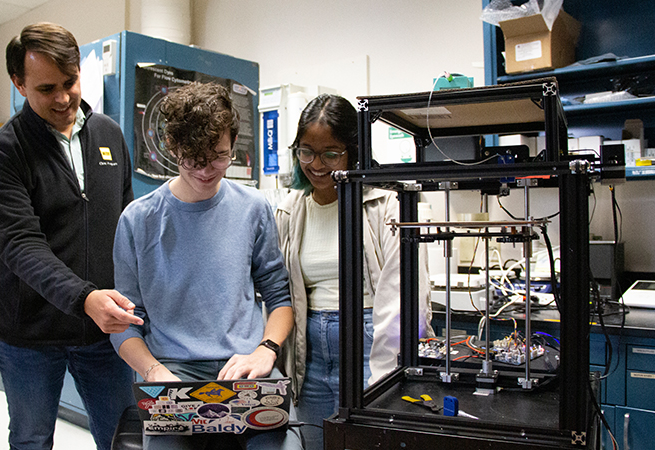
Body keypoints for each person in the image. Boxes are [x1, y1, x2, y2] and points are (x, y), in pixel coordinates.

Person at [109, 81, 302, 450]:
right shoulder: (138, 220)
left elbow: (280, 299)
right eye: (192, 158)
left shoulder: (253, 208)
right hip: (172, 371)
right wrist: (153, 371)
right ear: (172, 147)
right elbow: (123, 324)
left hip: (244, 365)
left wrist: (266, 350)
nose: (206, 170)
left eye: (218, 155)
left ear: (233, 144)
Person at [0, 22, 142, 450]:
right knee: (32, 440)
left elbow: (126, 225)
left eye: (70, 82)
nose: (64, 97)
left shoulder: (108, 133)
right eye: (47, 88)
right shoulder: (2, 154)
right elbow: (21, 246)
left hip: (104, 333)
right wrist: (85, 297)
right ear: (18, 83)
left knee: (124, 440)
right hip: (31, 336)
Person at [274, 94, 433, 450]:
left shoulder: (387, 204)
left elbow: (406, 296)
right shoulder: (290, 211)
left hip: (370, 344)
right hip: (310, 354)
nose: (317, 164)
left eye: (331, 153)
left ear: (354, 150)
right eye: (306, 152)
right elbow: (282, 292)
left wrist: (386, 373)